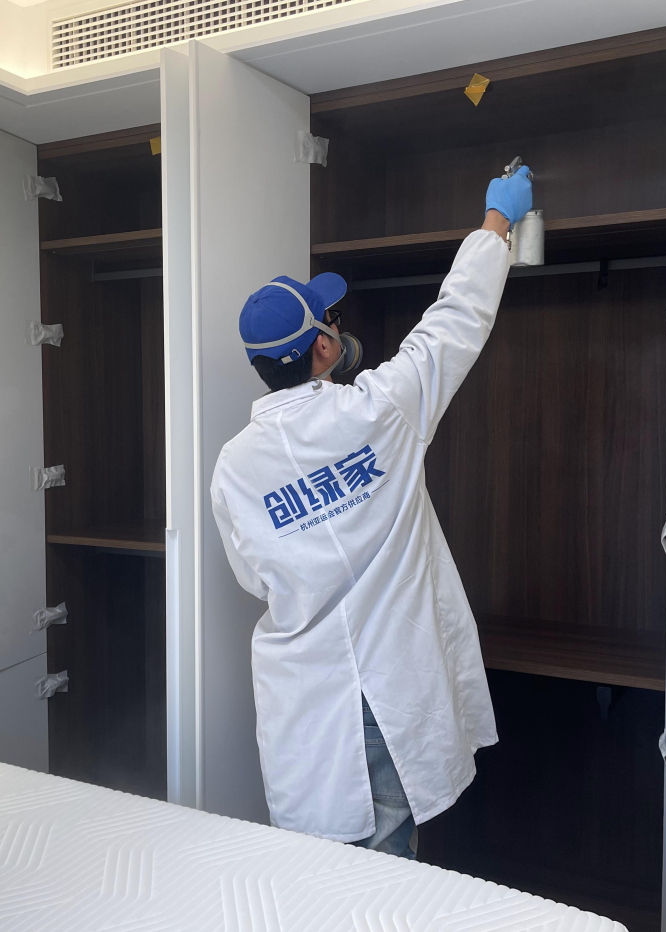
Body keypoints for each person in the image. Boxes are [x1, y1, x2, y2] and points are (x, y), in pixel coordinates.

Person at [211, 167, 533, 858]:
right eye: (331, 320)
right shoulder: (378, 410)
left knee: (315, 866)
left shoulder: (234, 466)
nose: (338, 328)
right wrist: (495, 226)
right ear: (324, 348)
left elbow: (253, 579)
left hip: (305, 696)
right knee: (381, 879)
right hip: (384, 695)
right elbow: (452, 324)